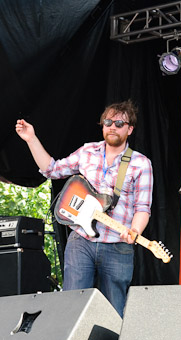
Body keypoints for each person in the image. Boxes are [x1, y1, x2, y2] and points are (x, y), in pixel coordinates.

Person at [15, 100, 153, 317]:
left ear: (130, 129)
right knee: (72, 307)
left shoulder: (141, 163)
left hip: (117, 246)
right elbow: (52, 169)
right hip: (81, 242)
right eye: (108, 122)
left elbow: (143, 207)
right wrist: (31, 139)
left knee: (113, 311)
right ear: (102, 125)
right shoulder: (88, 151)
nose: (112, 127)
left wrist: (135, 231)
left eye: (119, 123)